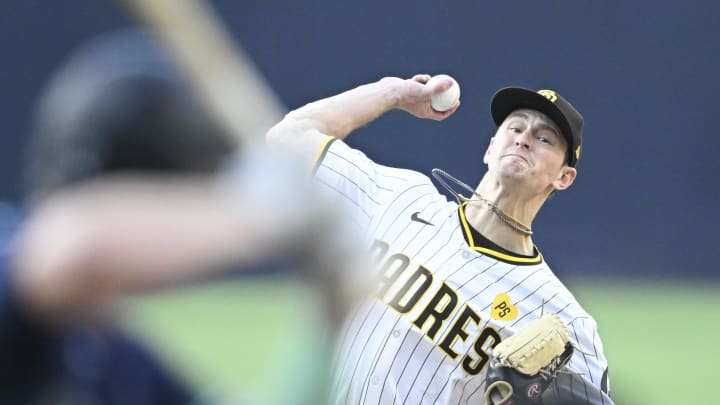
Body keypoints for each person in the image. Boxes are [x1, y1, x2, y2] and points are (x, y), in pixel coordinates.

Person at [266, 74, 613, 404]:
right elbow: (289, 137)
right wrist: (392, 93)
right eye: (516, 127)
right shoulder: (401, 197)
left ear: (564, 177)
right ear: (491, 148)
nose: (524, 138)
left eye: (544, 138)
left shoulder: (564, 319)